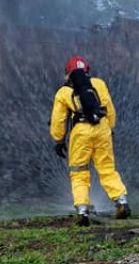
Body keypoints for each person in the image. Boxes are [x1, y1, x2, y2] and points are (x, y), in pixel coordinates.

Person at [50, 56, 131, 226]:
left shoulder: (63, 92)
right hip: (102, 127)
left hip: (80, 132)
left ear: (67, 73)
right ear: (87, 70)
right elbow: (109, 108)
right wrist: (110, 127)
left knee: (79, 172)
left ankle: (82, 210)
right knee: (107, 168)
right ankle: (121, 201)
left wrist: (58, 140)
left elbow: (58, 120)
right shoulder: (99, 84)